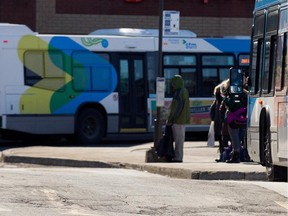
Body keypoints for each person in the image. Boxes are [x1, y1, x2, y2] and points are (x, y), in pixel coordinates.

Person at [221, 76, 248, 163]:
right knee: (239, 136)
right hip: (242, 117)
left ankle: (236, 155)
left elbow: (231, 105)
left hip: (233, 118)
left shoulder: (233, 94)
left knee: (234, 136)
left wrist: (225, 99)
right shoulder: (244, 93)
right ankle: (238, 153)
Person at [167, 75, 190, 163]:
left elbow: (176, 108)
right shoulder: (185, 91)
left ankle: (178, 157)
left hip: (177, 120)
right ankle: (179, 156)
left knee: (178, 141)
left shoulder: (178, 93)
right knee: (180, 140)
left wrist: (171, 118)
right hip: (183, 119)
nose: (172, 85)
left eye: (173, 83)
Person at [210, 81, 229, 162]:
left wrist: (214, 119)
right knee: (229, 139)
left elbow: (211, 111)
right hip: (225, 123)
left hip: (218, 123)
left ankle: (222, 156)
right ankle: (227, 155)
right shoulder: (225, 99)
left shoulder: (217, 101)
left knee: (222, 141)